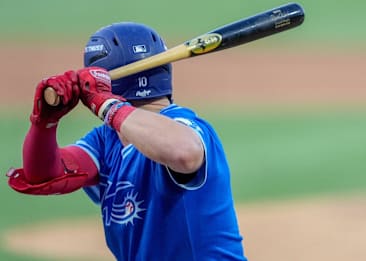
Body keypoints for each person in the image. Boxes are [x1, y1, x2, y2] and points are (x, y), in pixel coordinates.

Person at [6, 22, 247, 261]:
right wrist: (45, 123)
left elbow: (184, 153)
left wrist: (108, 106)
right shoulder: (106, 140)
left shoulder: (184, 126)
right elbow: (44, 175)